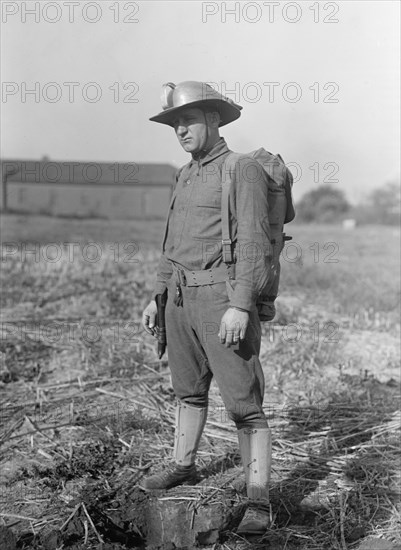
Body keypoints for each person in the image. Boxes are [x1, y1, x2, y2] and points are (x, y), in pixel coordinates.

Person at [141, 81, 272, 534]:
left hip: (222, 298)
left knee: (244, 405)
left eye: (188, 120)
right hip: (179, 298)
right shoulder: (184, 173)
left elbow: (255, 245)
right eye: (175, 123)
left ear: (214, 120)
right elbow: (172, 242)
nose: (180, 130)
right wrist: (158, 296)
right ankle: (183, 465)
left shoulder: (243, 170)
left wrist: (240, 306)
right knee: (187, 392)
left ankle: (259, 500)